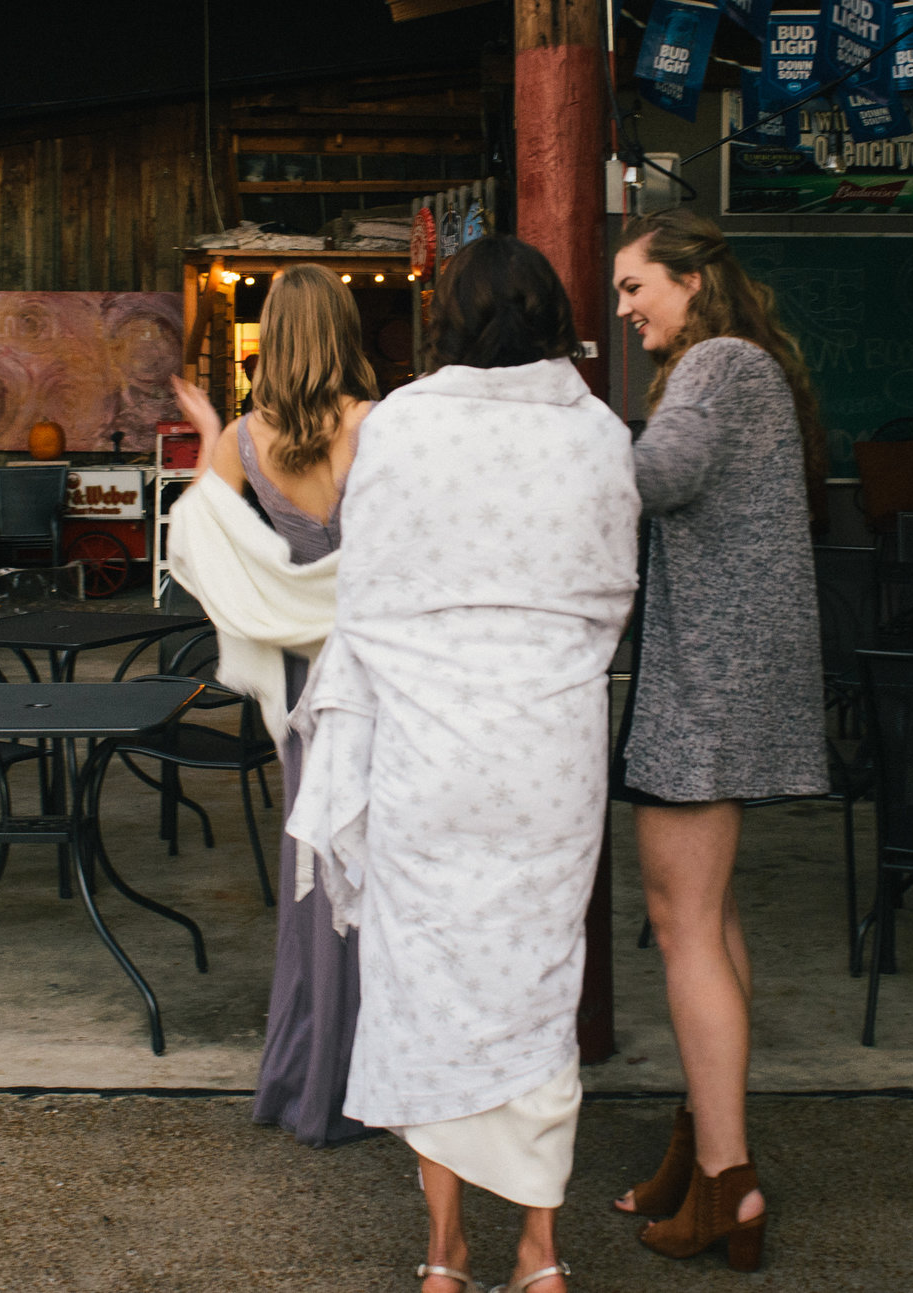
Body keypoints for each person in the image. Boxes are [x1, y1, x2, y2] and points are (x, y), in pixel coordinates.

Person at [285, 235, 638, 1293]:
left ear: (448, 318)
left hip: (428, 745)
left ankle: (445, 1254)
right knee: (537, 984)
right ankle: (540, 1251)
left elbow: (370, 595)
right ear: (552, 317)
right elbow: (612, 590)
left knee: (423, 981)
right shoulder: (597, 432)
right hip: (547, 747)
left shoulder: (402, 424)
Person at [606, 209, 828, 1273]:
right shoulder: (746, 365)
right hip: (732, 673)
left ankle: (730, 1186)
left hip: (709, 682)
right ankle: (700, 1151)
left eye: (635, 284)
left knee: (678, 917)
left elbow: (649, 480)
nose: (624, 306)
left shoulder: (715, 366)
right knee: (712, 914)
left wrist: (562, 424)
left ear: (691, 281)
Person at [165, 263, 378, 1148]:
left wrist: (212, 427)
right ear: (344, 329)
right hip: (375, 671)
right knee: (380, 862)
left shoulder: (248, 440)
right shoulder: (380, 424)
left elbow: (204, 526)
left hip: (302, 678)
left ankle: (305, 1076)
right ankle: (377, 1075)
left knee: (313, 867)